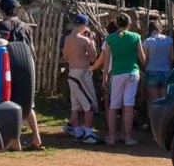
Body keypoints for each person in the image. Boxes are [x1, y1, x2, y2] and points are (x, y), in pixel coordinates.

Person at [0, 0, 45, 151]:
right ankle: (36, 138)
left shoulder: (0, 26)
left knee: (10, 103)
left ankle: (15, 142)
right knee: (28, 104)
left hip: (9, 67)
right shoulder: (27, 27)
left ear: (3, 10)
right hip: (26, 66)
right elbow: (32, 50)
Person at [103, 13, 146, 146]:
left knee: (113, 106)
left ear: (116, 24)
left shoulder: (110, 39)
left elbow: (107, 60)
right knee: (129, 105)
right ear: (129, 23)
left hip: (117, 74)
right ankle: (127, 138)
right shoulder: (136, 37)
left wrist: (105, 76)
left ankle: (111, 137)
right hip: (132, 73)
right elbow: (143, 59)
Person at [62, 14, 103, 144]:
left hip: (72, 73)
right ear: (84, 25)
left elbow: (66, 56)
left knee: (76, 105)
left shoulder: (67, 39)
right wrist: (91, 41)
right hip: (82, 75)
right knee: (89, 104)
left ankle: (78, 131)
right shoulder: (83, 40)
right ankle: (89, 134)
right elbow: (93, 58)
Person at [143, 21, 174, 116]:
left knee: (154, 99)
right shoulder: (169, 40)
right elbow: (172, 57)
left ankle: (153, 122)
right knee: (164, 99)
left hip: (152, 71)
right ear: (159, 28)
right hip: (165, 71)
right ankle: (164, 121)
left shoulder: (147, 41)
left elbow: (145, 59)